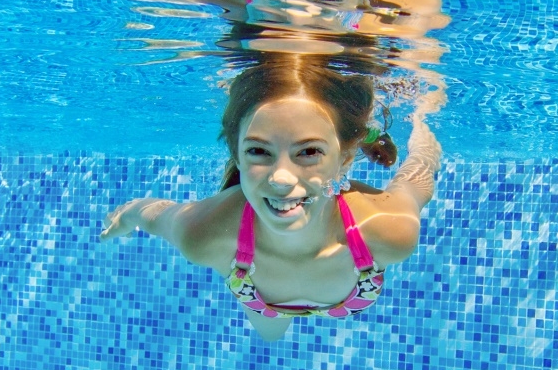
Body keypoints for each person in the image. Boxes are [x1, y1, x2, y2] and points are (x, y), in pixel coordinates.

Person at [100, 54, 443, 341]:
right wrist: (128, 214)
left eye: (308, 151)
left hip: (342, 285)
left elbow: (414, 183)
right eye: (258, 151)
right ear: (236, 155)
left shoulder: (386, 232)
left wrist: (423, 138)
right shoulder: (205, 234)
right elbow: (156, 215)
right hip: (261, 299)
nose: (281, 178)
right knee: (271, 335)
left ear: (345, 158)